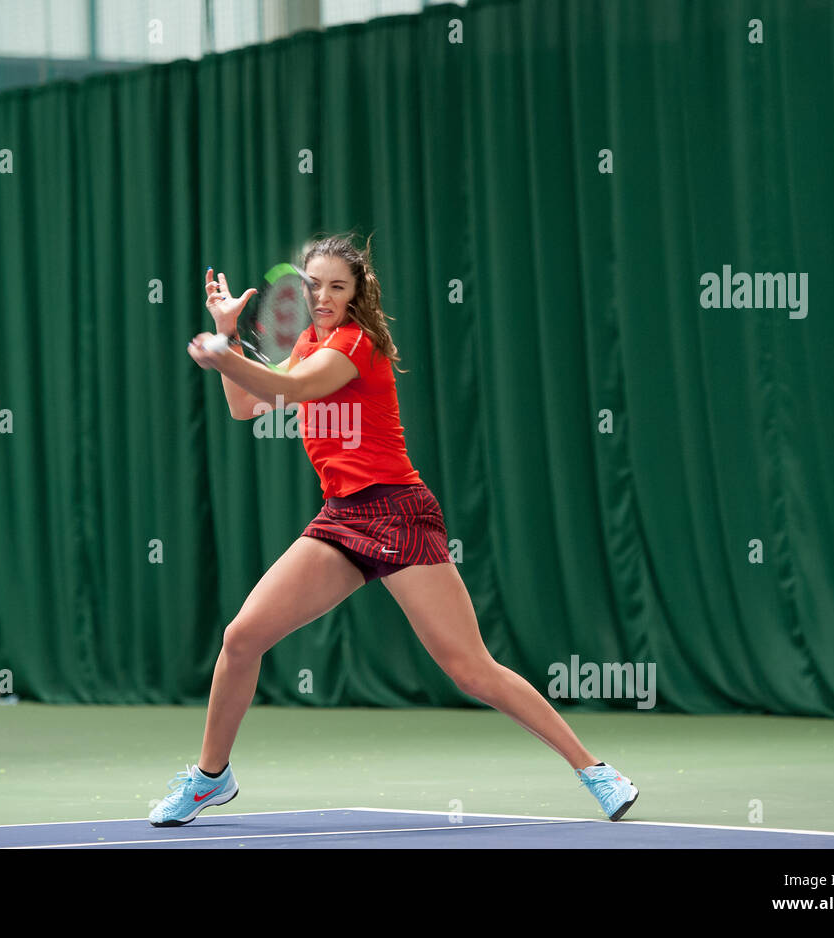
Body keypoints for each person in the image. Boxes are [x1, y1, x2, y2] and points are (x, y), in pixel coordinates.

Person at [149, 234, 638, 827]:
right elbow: (246, 406)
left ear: (357, 292)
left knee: (469, 668)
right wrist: (227, 337)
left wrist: (223, 355)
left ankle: (595, 771)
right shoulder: (308, 339)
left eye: (337, 286)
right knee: (241, 638)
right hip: (340, 518)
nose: (323, 297)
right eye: (314, 286)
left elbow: (295, 389)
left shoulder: (357, 342)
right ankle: (209, 778)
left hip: (398, 513)